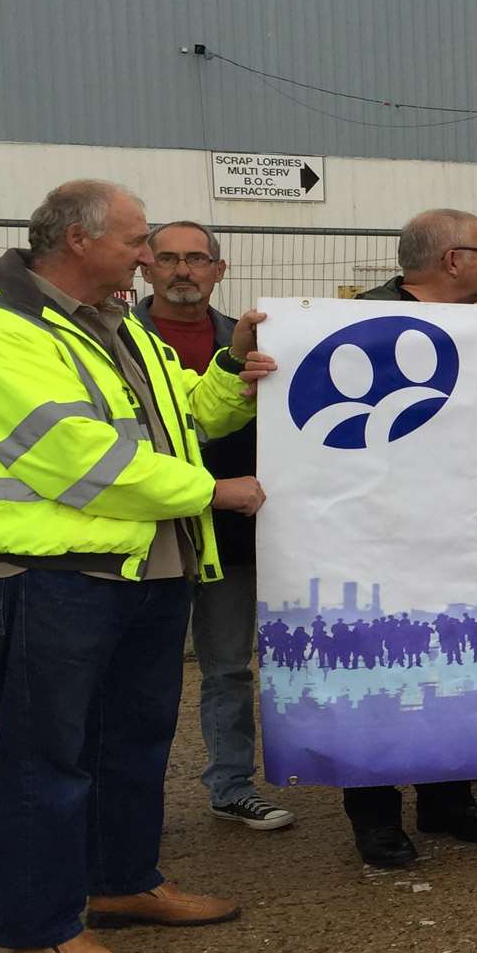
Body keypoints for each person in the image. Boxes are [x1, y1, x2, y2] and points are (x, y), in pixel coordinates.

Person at [0, 180, 275, 953]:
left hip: (143, 575)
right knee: (47, 761)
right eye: (137, 242)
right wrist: (212, 493)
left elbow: (186, 416)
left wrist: (233, 368)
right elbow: (76, 457)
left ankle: (123, 881)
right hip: (57, 579)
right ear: (79, 241)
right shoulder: (3, 335)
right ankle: (42, 933)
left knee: (132, 745)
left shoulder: (116, 327)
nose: (149, 257)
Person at [346, 209, 477, 866]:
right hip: (379, 531)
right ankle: (374, 814)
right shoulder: (359, 330)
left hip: (459, 526)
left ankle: (448, 799)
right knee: (384, 667)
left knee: (452, 661)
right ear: (454, 260)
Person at [134, 220, 294, 832]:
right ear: (146, 268)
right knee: (141, 674)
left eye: (196, 259)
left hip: (231, 531)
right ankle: (130, 803)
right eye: (168, 258)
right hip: (145, 533)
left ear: (218, 271)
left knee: (228, 666)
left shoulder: (250, 340)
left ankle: (230, 787)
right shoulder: (120, 340)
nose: (183, 270)